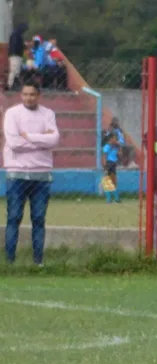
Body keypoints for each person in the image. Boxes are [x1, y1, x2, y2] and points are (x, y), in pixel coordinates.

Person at [3, 78, 59, 265]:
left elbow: (54, 140)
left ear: (39, 96)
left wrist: (29, 137)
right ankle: (10, 261)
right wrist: (41, 141)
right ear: (21, 95)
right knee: (14, 217)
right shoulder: (12, 114)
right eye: (25, 94)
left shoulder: (48, 114)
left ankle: (38, 262)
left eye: (32, 94)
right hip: (16, 174)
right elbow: (14, 144)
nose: (29, 98)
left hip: (42, 176)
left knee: (39, 219)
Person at [7, 23, 29, 90]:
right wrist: (23, 46)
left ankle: (13, 85)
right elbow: (15, 45)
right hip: (15, 54)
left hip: (16, 54)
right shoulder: (16, 34)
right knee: (14, 71)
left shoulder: (17, 34)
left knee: (16, 71)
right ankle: (10, 85)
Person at [101, 132, 121, 203]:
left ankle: (116, 199)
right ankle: (109, 199)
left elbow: (120, 154)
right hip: (109, 164)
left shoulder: (115, 147)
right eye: (115, 138)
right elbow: (104, 157)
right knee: (107, 181)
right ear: (111, 139)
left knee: (113, 181)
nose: (116, 140)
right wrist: (105, 167)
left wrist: (119, 147)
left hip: (113, 164)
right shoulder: (107, 147)